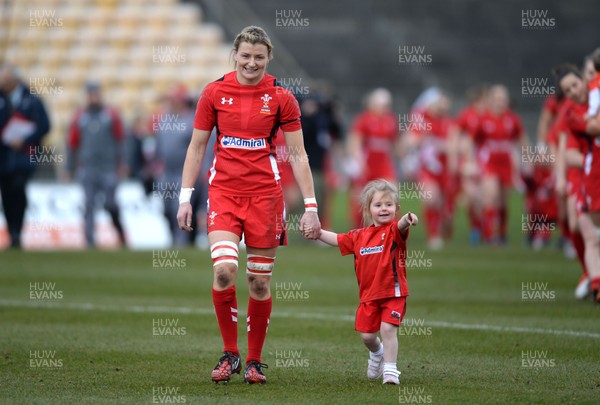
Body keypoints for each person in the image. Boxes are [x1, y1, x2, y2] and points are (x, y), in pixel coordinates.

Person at [176, 26, 320, 384]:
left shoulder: (282, 97)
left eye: (259, 57)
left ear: (268, 57)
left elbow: (299, 154)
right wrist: (184, 197)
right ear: (235, 55)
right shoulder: (213, 92)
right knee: (224, 271)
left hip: (266, 198)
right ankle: (230, 353)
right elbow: (196, 148)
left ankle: (254, 360)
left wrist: (311, 206)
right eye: (245, 56)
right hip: (223, 193)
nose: (251, 63)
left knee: (258, 281)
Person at [310, 179, 418, 385]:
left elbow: (403, 224)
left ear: (396, 208)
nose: (384, 209)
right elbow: (337, 239)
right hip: (368, 296)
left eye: (388, 205)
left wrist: (408, 218)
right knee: (368, 337)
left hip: (393, 293)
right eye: (378, 205)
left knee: (387, 329)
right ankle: (377, 354)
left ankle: (391, 371)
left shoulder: (395, 231)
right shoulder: (359, 236)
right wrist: (318, 233)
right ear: (368, 210)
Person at [554, 63, 600, 304]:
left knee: (590, 232)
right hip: (585, 174)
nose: (573, 90)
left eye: (575, 84)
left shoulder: (595, 96)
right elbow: (566, 149)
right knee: (577, 224)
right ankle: (591, 277)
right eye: (567, 89)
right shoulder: (570, 113)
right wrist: (561, 176)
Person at [67, 82, 126, 248]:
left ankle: (120, 234)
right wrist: (68, 168)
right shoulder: (80, 117)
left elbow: (121, 141)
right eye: (91, 94)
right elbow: (72, 144)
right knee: (89, 205)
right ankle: (90, 241)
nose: (93, 97)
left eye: (96, 94)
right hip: (88, 168)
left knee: (111, 204)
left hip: (108, 168)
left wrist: (122, 164)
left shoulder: (111, 115)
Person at [0, 65, 51, 249]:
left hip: (25, 155)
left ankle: (18, 231)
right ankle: (12, 232)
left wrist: (25, 139)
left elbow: (44, 126)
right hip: (4, 156)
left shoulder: (32, 101)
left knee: (18, 187)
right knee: (6, 193)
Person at [405, 89, 458, 250]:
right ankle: (433, 235)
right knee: (431, 198)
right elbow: (410, 141)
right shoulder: (421, 120)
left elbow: (455, 145)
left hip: (446, 169)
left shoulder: (450, 123)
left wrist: (447, 149)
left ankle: (444, 226)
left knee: (446, 208)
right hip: (427, 168)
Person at [474, 85, 528, 244]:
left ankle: (502, 233)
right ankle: (490, 234)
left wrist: (527, 160)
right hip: (489, 162)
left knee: (504, 200)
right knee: (491, 196)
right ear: (490, 100)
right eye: (497, 99)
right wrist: (470, 161)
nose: (500, 102)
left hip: (506, 162)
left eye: (503, 99)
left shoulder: (513, 119)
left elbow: (522, 140)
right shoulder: (484, 119)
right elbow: (471, 140)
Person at [153, 84, 201, 247]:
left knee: (178, 209)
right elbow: (158, 148)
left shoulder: (191, 121)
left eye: (173, 100)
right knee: (166, 210)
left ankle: (182, 244)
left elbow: (198, 149)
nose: (170, 103)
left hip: (184, 174)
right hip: (166, 173)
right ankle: (176, 240)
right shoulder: (163, 120)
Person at [347, 88, 400, 228]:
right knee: (360, 197)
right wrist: (359, 162)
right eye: (383, 105)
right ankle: (360, 229)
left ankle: (390, 230)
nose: (386, 108)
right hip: (367, 164)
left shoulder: (390, 120)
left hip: (383, 164)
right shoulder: (364, 120)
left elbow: (395, 144)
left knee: (390, 193)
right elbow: (355, 142)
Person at [456, 84, 488, 245]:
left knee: (484, 198)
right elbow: (459, 136)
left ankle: (486, 229)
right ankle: (475, 227)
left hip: (485, 160)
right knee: (471, 196)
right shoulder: (466, 115)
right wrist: (463, 159)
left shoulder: (489, 116)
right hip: (470, 160)